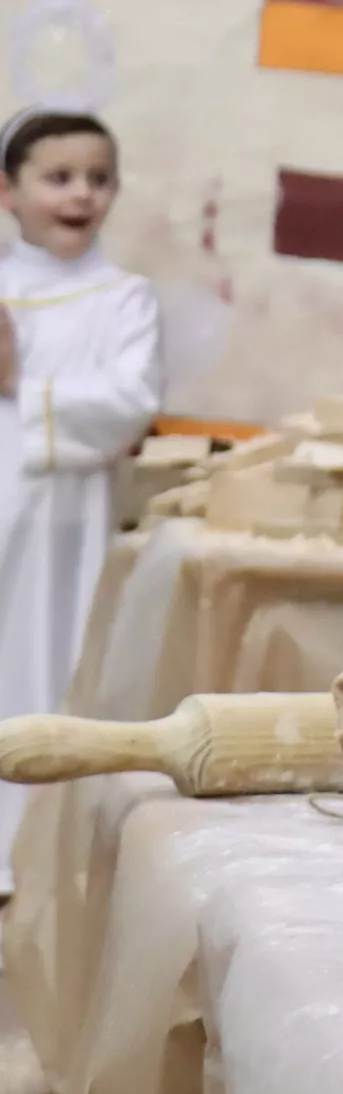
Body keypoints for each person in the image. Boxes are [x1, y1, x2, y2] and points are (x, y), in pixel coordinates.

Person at [1, 109, 161, 886]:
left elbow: (131, 400)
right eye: (58, 178)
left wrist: (20, 385)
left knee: (53, 665)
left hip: (66, 527)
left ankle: (34, 865)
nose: (81, 195)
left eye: (98, 179)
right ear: (8, 190)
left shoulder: (122, 298)